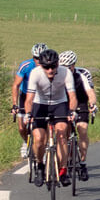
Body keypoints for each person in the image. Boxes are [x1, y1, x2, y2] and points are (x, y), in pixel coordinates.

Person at [23, 48, 75, 187]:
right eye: (46, 67)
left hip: (59, 104)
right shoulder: (35, 73)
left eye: (53, 66)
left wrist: (72, 111)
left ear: (58, 64)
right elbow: (29, 99)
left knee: (62, 134)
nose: (50, 70)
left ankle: (63, 170)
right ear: (41, 65)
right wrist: (28, 114)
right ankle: (40, 165)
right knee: (39, 139)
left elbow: (72, 96)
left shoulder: (65, 72)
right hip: (40, 104)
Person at [61, 50, 97, 182]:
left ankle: (82, 164)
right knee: (64, 132)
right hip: (65, 104)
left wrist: (92, 104)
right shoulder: (58, 74)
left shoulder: (83, 73)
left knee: (82, 129)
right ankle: (67, 159)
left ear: (73, 65)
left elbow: (90, 92)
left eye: (68, 67)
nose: (66, 69)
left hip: (81, 102)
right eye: (63, 67)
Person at [12, 43, 48, 159]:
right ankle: (25, 142)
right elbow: (16, 85)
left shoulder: (49, 66)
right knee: (22, 127)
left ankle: (44, 145)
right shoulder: (26, 66)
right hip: (25, 95)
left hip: (41, 96)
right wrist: (14, 105)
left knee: (44, 123)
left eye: (40, 58)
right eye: (36, 58)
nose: (38, 61)